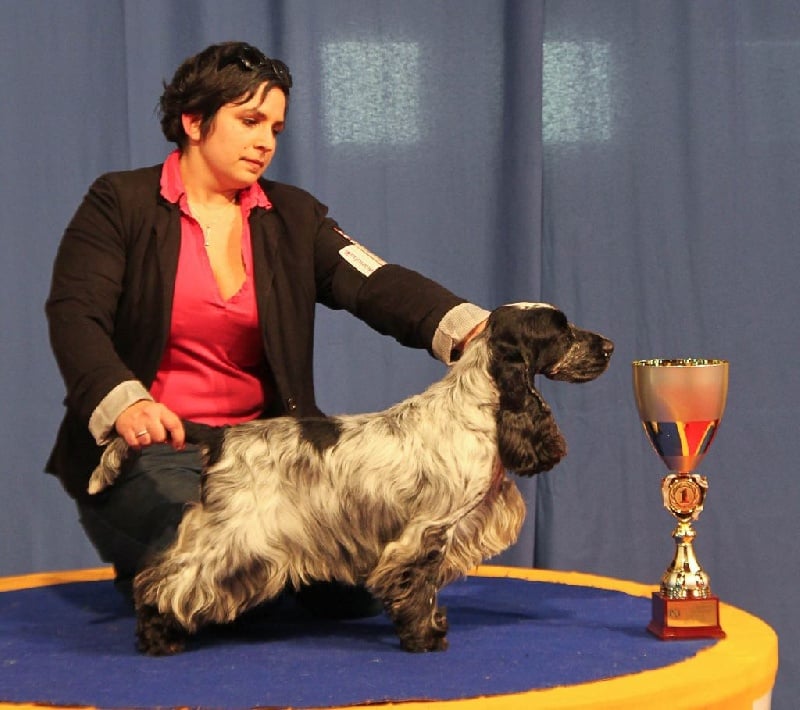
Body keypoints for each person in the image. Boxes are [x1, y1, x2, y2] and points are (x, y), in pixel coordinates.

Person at [45, 41, 489, 617]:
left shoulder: (295, 216)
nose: (266, 143)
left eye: (275, 129)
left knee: (360, 581)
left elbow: (375, 283)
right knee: (216, 575)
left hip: (269, 459)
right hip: (156, 450)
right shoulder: (119, 203)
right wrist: (125, 401)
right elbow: (75, 315)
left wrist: (471, 326)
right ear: (194, 122)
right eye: (250, 121)